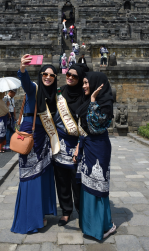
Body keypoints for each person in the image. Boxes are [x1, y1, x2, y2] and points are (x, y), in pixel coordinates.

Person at [11, 55, 57, 234]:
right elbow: (26, 83)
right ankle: (30, 218)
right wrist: (22, 69)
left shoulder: (53, 95)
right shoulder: (34, 89)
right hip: (30, 135)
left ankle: (41, 214)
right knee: (31, 176)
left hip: (44, 138)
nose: (48, 77)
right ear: (40, 75)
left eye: (51, 75)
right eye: (45, 73)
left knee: (43, 175)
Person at [74, 71, 116, 241]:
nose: (84, 86)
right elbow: (83, 129)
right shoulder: (85, 101)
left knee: (98, 186)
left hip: (99, 147)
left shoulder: (105, 103)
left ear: (98, 84)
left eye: (86, 83)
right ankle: (89, 224)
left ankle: (104, 226)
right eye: (83, 83)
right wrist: (78, 146)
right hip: (88, 146)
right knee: (87, 185)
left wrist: (93, 101)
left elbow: (95, 126)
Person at [53, 63, 89, 226]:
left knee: (78, 181)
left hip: (77, 144)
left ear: (80, 79)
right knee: (61, 180)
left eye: (74, 76)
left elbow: (86, 124)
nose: (70, 78)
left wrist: (79, 146)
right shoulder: (59, 93)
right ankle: (66, 211)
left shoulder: (84, 96)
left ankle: (81, 211)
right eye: (68, 74)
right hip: (60, 144)